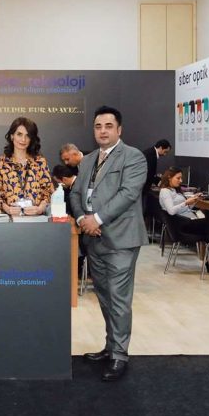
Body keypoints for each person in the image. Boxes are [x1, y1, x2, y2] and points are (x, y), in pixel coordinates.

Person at [69, 106, 147, 382]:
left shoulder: (133, 157)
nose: (102, 131)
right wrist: (82, 219)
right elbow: (76, 193)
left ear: (119, 129)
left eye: (108, 126)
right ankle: (111, 346)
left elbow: (128, 194)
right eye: (98, 126)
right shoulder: (88, 159)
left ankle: (120, 355)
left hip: (121, 239)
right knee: (104, 296)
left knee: (119, 299)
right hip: (93, 239)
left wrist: (97, 218)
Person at [0, 117, 54, 216]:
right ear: (12, 136)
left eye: (27, 136)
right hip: (10, 219)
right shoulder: (0, 163)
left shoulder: (40, 162)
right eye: (19, 134)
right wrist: (7, 209)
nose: (23, 140)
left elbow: (47, 192)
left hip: (36, 219)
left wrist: (39, 209)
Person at [157, 167, 209, 269]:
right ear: (169, 177)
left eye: (181, 178)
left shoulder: (174, 190)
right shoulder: (165, 192)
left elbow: (185, 209)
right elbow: (171, 211)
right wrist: (186, 202)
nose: (181, 181)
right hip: (182, 225)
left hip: (186, 220)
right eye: (178, 178)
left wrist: (194, 200)